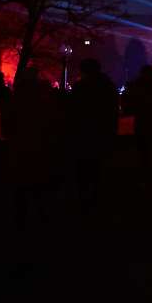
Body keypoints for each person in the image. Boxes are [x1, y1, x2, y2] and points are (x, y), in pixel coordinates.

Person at [4, 67, 61, 227]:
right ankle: (42, 215)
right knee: (39, 180)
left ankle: (21, 217)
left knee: (21, 181)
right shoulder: (43, 96)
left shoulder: (18, 96)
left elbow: (10, 120)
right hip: (39, 141)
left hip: (22, 142)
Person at [67, 58, 119, 202]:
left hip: (85, 133)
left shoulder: (81, 87)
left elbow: (73, 111)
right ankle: (99, 197)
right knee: (100, 167)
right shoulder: (108, 86)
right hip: (103, 132)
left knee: (84, 168)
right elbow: (113, 110)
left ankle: (85, 198)